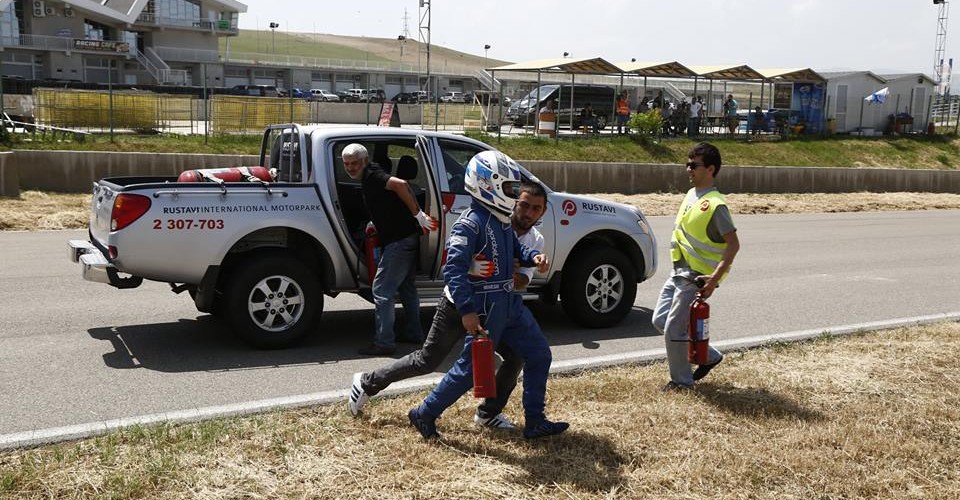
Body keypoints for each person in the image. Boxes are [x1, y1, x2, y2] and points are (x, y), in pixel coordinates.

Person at [348, 181, 552, 432]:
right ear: (514, 202)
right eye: (524, 204)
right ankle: (367, 382)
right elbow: (453, 266)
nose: (528, 212)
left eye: (536, 208)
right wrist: (471, 273)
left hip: (496, 308)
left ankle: (489, 413)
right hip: (458, 306)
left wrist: (509, 266)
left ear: (543, 212)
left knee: (517, 355)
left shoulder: (529, 237)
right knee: (427, 361)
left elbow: (520, 277)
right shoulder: (482, 221)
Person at [407, 150, 567, 440]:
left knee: (539, 354)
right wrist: (467, 310)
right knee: (471, 369)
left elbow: (517, 249)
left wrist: (533, 257)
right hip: (485, 306)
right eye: (509, 188)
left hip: (510, 304)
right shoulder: (470, 223)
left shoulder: (500, 219)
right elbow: (452, 269)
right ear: (487, 184)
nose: (513, 193)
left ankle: (535, 421)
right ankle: (424, 412)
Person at [651, 142, 740, 391]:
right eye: (687, 164)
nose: (688, 169)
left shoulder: (716, 205)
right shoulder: (692, 194)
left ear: (710, 169)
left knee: (673, 329)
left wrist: (714, 278)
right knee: (660, 320)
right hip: (679, 272)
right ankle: (709, 356)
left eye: (694, 165)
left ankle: (681, 382)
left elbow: (733, 244)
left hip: (697, 277)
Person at [341, 144, 439, 356]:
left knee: (381, 290)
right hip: (404, 238)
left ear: (364, 160)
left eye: (354, 163)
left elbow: (401, 185)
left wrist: (418, 215)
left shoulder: (373, 175)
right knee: (406, 287)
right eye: (346, 164)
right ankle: (414, 332)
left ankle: (384, 342)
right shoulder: (370, 173)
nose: (350, 168)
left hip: (399, 241)